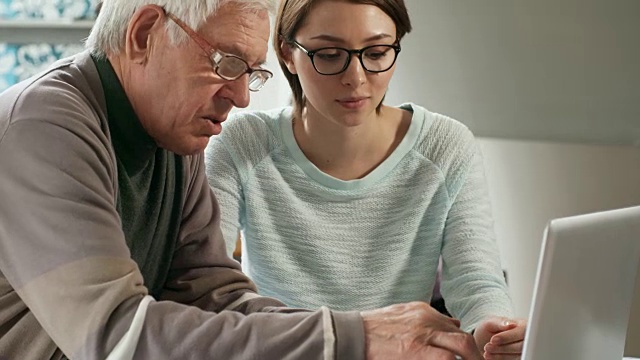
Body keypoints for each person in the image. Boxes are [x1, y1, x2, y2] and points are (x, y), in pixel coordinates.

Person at [0, 0, 486, 359]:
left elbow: (217, 299)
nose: (241, 98)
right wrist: (353, 338)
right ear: (146, 33)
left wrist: (369, 333)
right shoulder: (42, 125)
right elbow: (118, 338)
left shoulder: (172, 133)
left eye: (250, 72)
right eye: (226, 63)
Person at [205, 0, 527, 358]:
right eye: (329, 54)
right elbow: (206, 289)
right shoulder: (243, 144)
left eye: (375, 53)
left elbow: (476, 282)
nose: (356, 78)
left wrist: (493, 330)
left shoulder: (445, 147)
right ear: (287, 55)